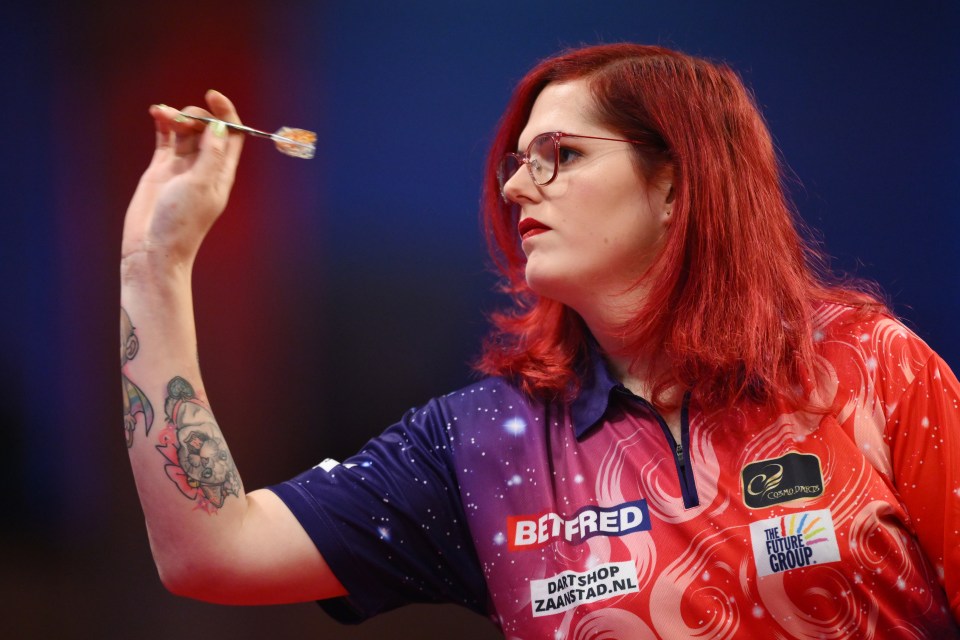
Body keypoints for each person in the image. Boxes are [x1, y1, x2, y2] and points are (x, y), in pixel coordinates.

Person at [119, 43, 960, 638]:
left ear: (675, 182)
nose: (519, 185)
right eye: (515, 163)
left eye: (559, 153)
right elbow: (209, 551)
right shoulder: (483, 445)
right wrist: (154, 263)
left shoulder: (868, 366)